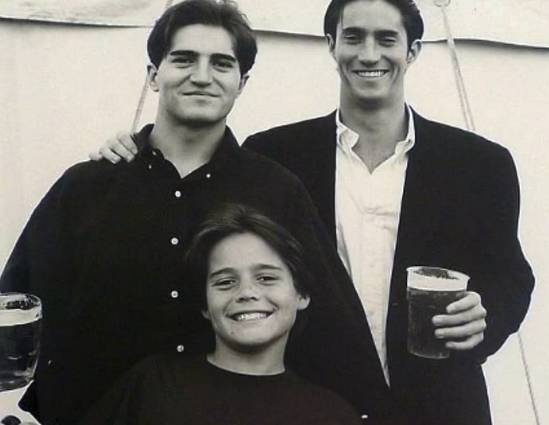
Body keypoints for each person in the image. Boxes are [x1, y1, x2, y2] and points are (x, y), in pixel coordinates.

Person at [95, 1, 535, 424]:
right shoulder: (275, 154)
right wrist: (138, 148)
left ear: (413, 50)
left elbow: (510, 277)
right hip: (312, 402)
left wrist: (485, 314)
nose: (369, 54)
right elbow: (199, 216)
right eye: (353, 37)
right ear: (331, 45)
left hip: (441, 403)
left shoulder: (479, 164)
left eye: (386, 39)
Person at [0, 1, 381, 423]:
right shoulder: (87, 187)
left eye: (221, 63)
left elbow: (332, 327)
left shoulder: (275, 191)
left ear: (242, 82)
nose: (202, 76)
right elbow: (15, 306)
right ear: (153, 74)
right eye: (184, 59)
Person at [79, 205, 362, 425]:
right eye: (225, 282)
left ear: (301, 295)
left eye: (266, 278)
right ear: (205, 304)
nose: (246, 292)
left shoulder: (332, 415)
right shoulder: (153, 386)